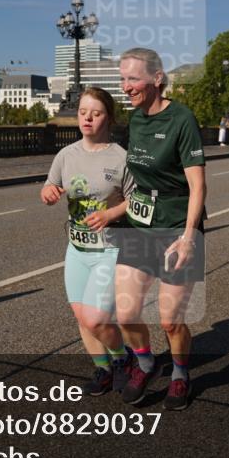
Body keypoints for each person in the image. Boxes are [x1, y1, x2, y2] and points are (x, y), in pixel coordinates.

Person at [115, 47, 207, 410]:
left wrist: (189, 237)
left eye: (133, 79)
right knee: (125, 313)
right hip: (140, 224)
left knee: (170, 321)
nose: (126, 87)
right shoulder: (136, 121)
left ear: (156, 78)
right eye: (123, 79)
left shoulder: (182, 119)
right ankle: (146, 362)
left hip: (175, 224)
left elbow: (198, 186)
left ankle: (181, 373)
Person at [41, 87, 135, 395]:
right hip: (77, 249)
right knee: (82, 316)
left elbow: (138, 202)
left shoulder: (122, 157)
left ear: (108, 117)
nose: (87, 119)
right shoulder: (66, 155)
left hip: (110, 248)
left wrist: (110, 214)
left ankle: (123, 359)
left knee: (96, 318)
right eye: (83, 113)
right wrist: (49, 194)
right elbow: (50, 186)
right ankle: (102, 368)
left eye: (95, 114)